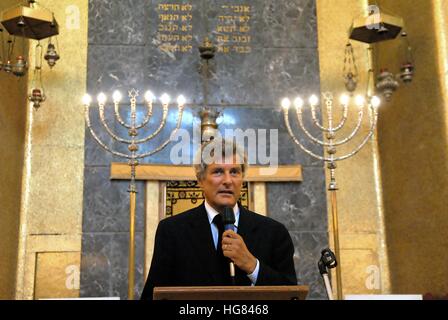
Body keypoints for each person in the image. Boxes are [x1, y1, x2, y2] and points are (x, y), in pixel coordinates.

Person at [141, 139, 297, 300]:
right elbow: (153, 295)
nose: (228, 181)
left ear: (242, 179)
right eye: (218, 172)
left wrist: (252, 266)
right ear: (200, 180)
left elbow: (292, 294)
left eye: (235, 172)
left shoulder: (273, 232)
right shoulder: (173, 231)